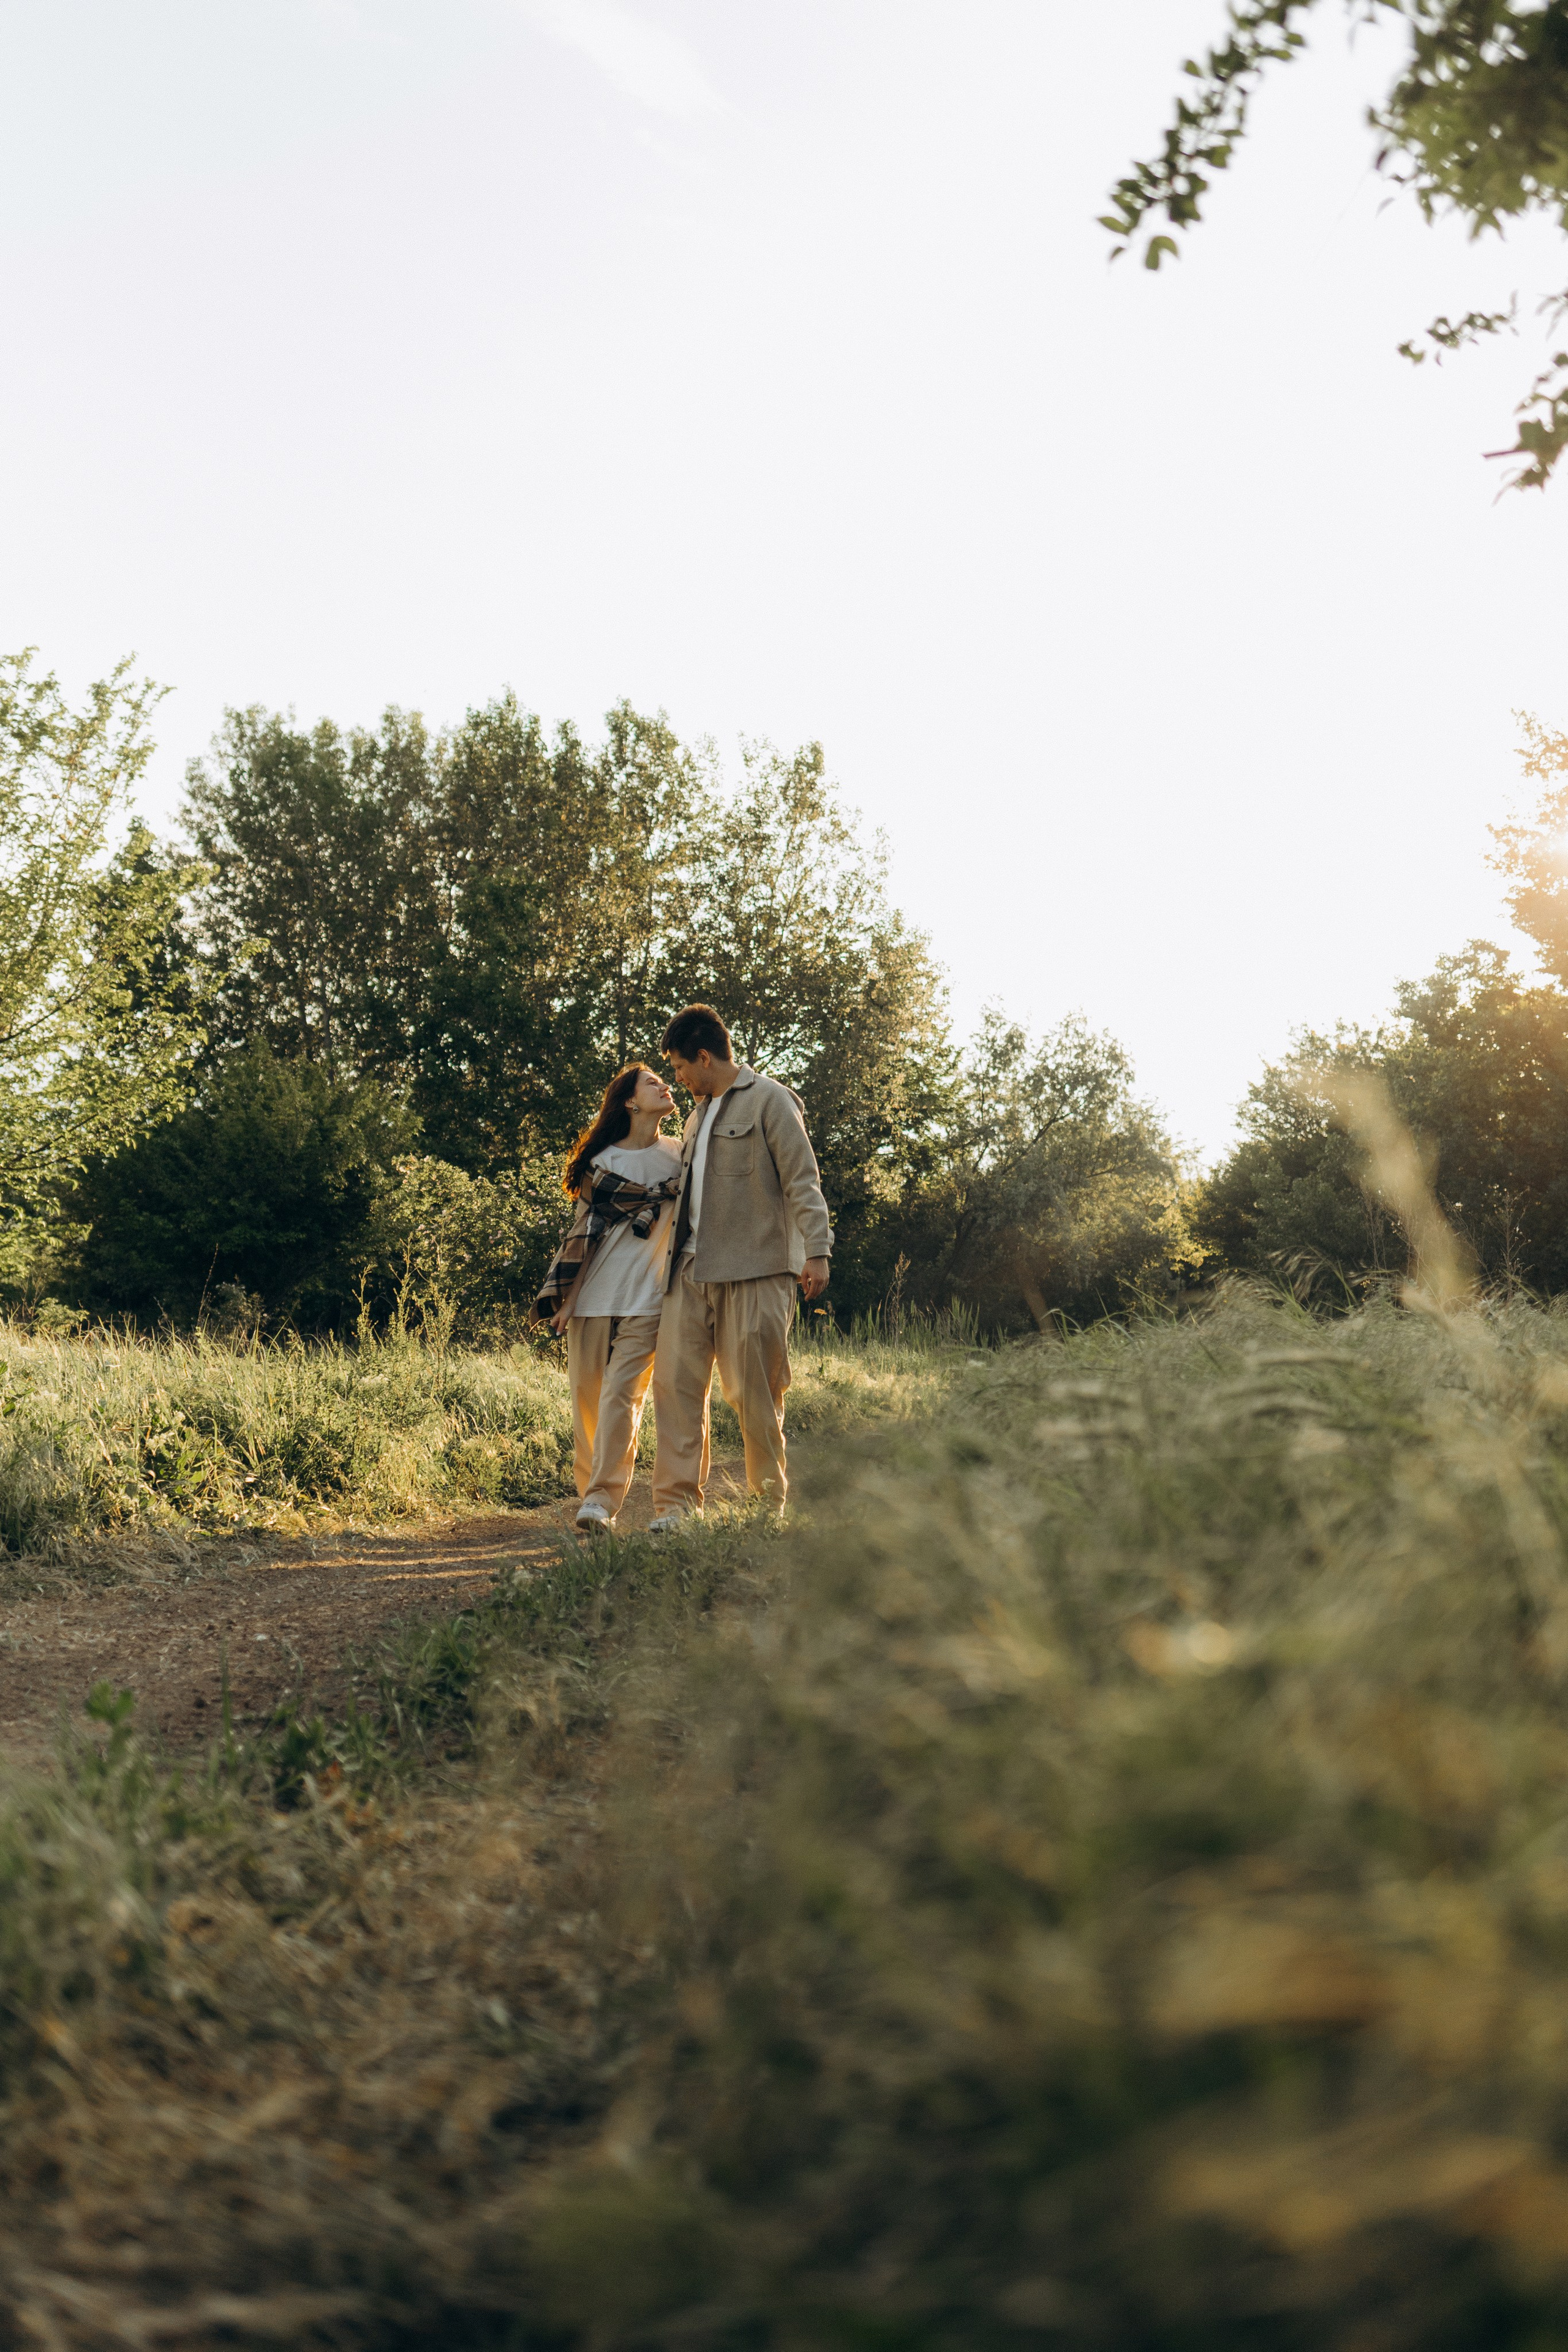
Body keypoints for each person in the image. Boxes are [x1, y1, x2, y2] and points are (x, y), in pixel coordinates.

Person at [649, 1003, 832, 1528]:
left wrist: (817, 1250)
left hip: (756, 1268)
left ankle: (766, 1508)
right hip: (689, 1270)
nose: (678, 1079)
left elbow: (802, 1179)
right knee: (676, 1389)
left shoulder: (772, 1100)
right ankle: (676, 1507)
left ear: (704, 1057)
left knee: (756, 1393)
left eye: (680, 1067)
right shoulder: (695, 1116)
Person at [534, 1064, 682, 1532]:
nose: (666, 1085)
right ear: (630, 1102)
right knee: (587, 1403)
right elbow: (584, 1236)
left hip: (649, 1301)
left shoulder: (681, 1157)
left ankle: (602, 1500)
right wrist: (569, 1299)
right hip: (595, 1297)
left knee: (622, 1397)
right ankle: (591, 1498)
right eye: (653, 1082)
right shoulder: (601, 1163)